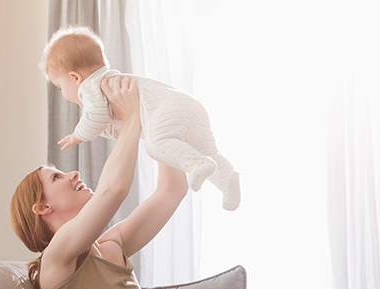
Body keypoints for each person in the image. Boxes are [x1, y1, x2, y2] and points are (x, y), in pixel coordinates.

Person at [11, 75, 270, 289]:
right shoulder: (57, 258)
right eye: (57, 177)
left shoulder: (112, 245)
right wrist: (131, 117)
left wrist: (152, 117)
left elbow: (171, 190)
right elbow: (113, 190)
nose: (72, 174)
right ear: (43, 208)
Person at [40, 25, 241, 211]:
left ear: (75, 78)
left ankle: (198, 163)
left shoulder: (91, 86)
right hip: (187, 107)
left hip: (171, 110)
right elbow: (119, 128)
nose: (62, 93)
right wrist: (99, 125)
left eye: (60, 87)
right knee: (208, 149)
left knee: (156, 145)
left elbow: (96, 117)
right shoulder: (110, 81)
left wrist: (78, 134)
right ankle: (227, 180)